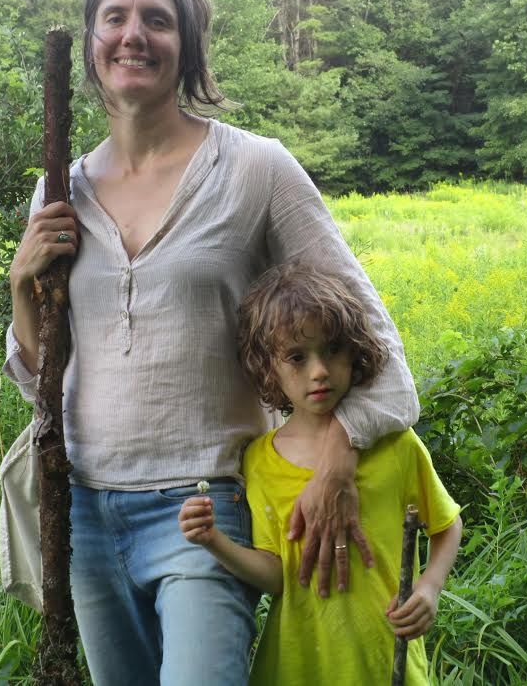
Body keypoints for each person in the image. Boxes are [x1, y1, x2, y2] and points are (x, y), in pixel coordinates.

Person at [3, 0, 419, 684]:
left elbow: (372, 337)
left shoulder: (256, 169)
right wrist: (21, 284)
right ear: (91, 45)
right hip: (85, 515)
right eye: (115, 18)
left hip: (206, 504)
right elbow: (42, 382)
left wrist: (339, 453)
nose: (133, 35)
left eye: (157, 20)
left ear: (188, 47)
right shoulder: (59, 188)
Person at [178, 264, 463, 685]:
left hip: (386, 661)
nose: (319, 372)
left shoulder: (397, 445)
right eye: (297, 357)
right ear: (268, 367)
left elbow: (447, 525)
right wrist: (214, 541)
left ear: (355, 352)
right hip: (295, 667)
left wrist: (429, 588)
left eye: (332, 350)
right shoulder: (260, 461)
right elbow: (278, 575)